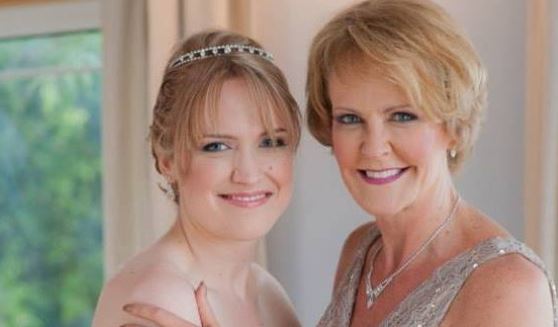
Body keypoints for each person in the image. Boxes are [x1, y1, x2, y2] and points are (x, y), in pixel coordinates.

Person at [121, 0, 558, 326]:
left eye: (401, 116)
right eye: (351, 119)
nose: (374, 145)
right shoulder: (361, 251)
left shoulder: (507, 287)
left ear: (453, 126)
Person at [91, 30, 301, 327]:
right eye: (216, 146)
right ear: (168, 160)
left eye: (270, 142)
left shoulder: (266, 291)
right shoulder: (161, 299)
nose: (249, 173)